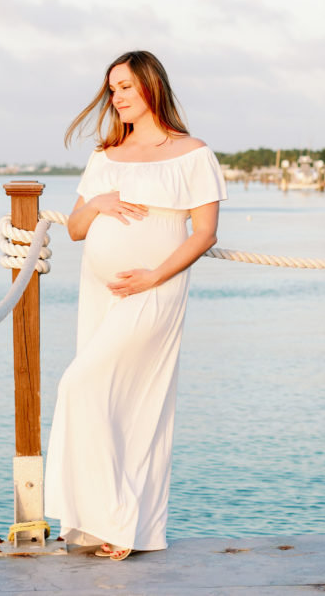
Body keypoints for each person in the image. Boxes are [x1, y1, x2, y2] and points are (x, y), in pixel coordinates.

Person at [44, 51, 227, 561]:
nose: (117, 97)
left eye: (125, 87)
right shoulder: (105, 155)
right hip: (101, 292)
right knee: (108, 400)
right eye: (112, 90)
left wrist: (152, 276)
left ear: (150, 86)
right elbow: (77, 229)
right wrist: (99, 203)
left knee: (87, 387)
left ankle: (121, 523)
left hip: (155, 291)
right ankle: (93, 521)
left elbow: (206, 233)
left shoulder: (193, 153)